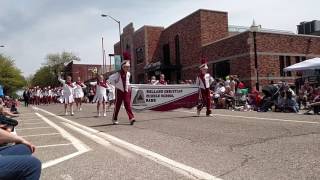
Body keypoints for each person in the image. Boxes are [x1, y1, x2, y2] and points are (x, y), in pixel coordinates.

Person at [108, 52, 135, 125]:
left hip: (126, 91)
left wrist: (129, 87)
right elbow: (110, 79)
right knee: (118, 105)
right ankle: (114, 118)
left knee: (127, 104)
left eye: (128, 67)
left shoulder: (129, 74)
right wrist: (116, 85)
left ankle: (131, 118)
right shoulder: (118, 73)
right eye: (126, 67)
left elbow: (127, 82)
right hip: (119, 91)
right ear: (122, 67)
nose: (127, 68)